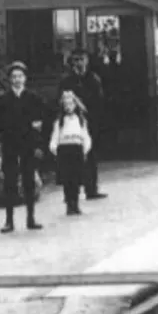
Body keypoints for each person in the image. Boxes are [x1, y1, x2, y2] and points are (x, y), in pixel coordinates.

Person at [0, 61, 46, 233]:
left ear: (25, 78)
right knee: (10, 182)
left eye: (20, 76)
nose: (17, 80)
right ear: (9, 80)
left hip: (28, 145)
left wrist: (38, 145)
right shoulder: (3, 101)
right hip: (10, 145)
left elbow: (39, 123)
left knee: (29, 180)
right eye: (14, 77)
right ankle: (9, 220)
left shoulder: (33, 99)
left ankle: (31, 218)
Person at [59, 49, 107, 200]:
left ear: (87, 60)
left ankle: (91, 189)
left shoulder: (93, 79)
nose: (79, 63)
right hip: (73, 122)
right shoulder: (67, 81)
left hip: (90, 121)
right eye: (76, 60)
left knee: (90, 154)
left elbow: (99, 101)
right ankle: (72, 192)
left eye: (82, 59)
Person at [49, 91, 93, 216]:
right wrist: (54, 148)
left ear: (75, 105)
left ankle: (76, 203)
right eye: (66, 104)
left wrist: (85, 148)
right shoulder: (59, 122)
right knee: (67, 179)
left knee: (76, 178)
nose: (69, 107)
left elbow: (85, 135)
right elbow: (55, 136)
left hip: (76, 150)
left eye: (71, 104)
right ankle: (69, 203)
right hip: (64, 151)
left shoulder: (81, 120)